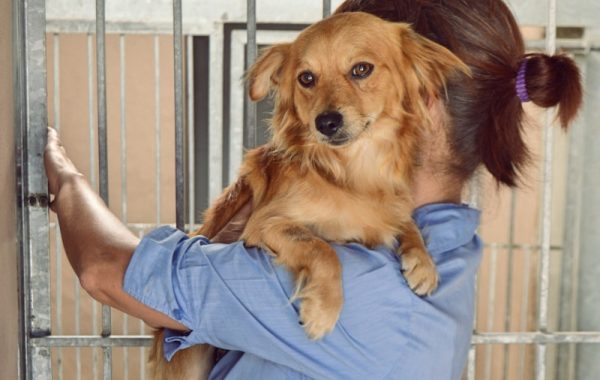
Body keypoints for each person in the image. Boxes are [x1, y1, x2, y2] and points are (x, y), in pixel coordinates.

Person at [44, 0, 582, 379]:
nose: (329, 103)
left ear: (421, 95)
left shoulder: (369, 290)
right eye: (310, 79)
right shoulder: (447, 250)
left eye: (362, 71)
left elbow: (106, 270)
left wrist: (60, 170)